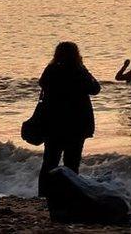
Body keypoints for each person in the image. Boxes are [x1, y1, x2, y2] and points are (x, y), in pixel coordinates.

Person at [38, 41, 101, 197]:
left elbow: (42, 84)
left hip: (53, 122)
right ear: (76, 54)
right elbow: (95, 89)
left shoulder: (51, 70)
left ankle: (44, 194)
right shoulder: (79, 71)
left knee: (49, 161)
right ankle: (69, 195)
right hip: (77, 123)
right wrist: (85, 69)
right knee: (72, 162)